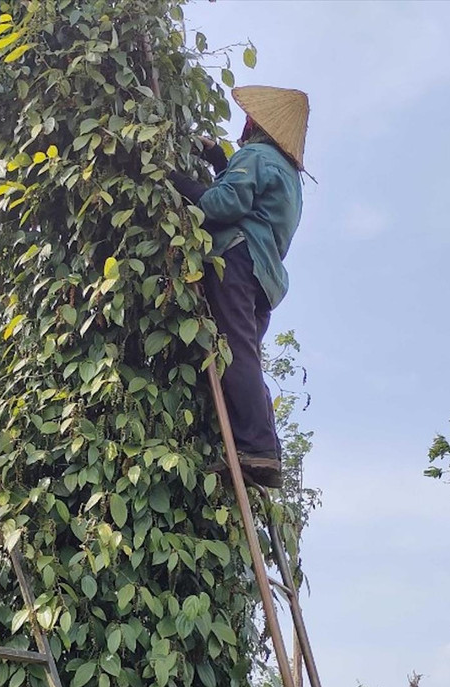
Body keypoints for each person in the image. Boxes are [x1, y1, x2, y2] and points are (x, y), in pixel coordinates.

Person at [170, 87, 308, 489]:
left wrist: (177, 182)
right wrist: (218, 160)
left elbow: (223, 206)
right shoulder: (287, 174)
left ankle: (258, 446)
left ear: (256, 126)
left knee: (234, 351)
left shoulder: (256, 157)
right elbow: (249, 197)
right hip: (266, 277)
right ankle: (264, 452)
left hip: (238, 260)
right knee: (245, 355)